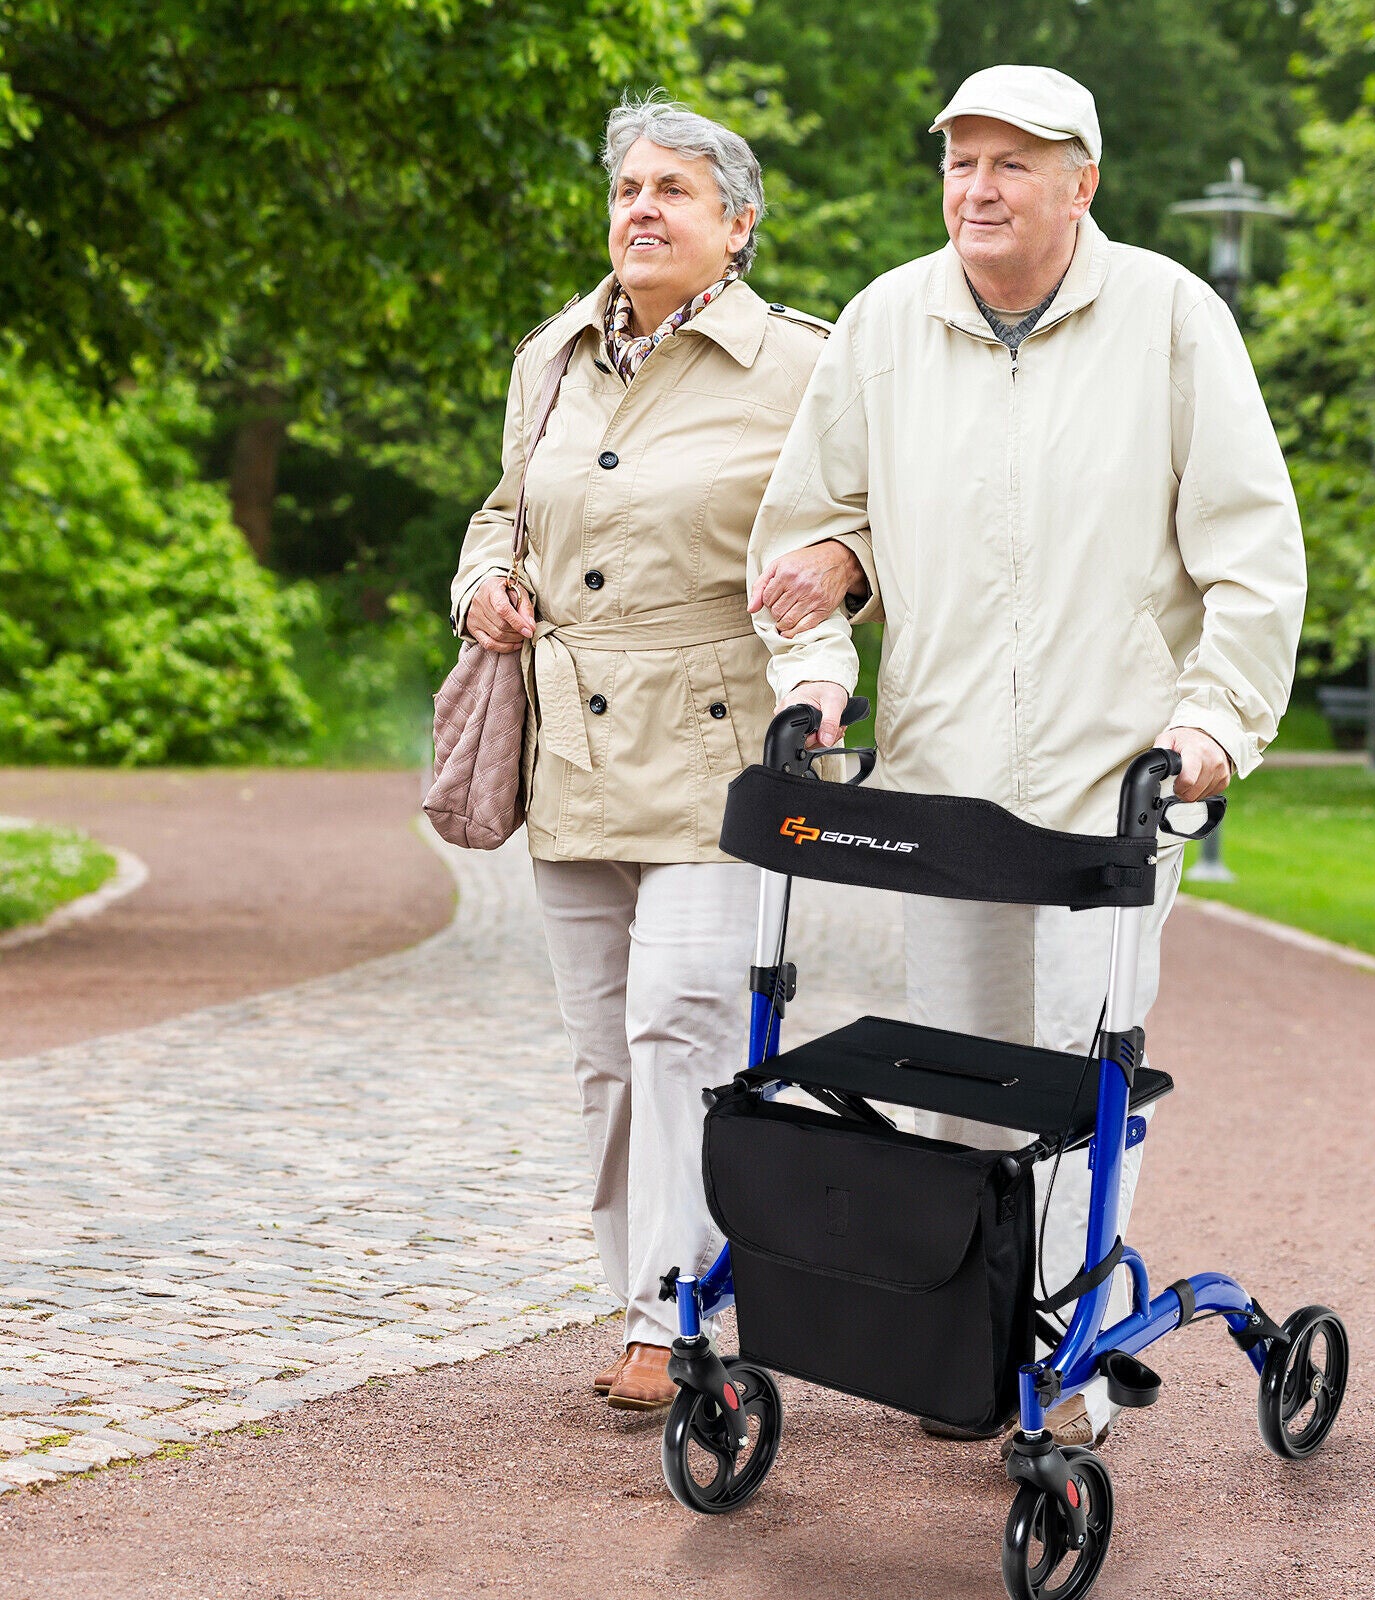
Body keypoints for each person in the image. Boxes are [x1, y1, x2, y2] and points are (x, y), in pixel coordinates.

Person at [748, 65, 1306, 1446]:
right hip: (943, 779)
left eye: (1012, 164)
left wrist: (1214, 725)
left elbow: (1253, 556)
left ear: (1082, 183)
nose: (978, 190)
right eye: (960, 163)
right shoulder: (886, 322)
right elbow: (818, 533)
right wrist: (823, 646)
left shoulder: (1174, 319)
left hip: (1112, 782)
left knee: (1073, 1069)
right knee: (951, 1073)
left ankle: (1060, 1357)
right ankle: (972, 1329)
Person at [451, 95, 839, 1412]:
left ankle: (678, 1314)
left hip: (723, 756)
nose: (641, 210)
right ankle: (643, 1298)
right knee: (604, 1059)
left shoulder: (806, 367)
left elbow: (860, 538)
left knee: (681, 1021)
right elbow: (506, 511)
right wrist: (483, 584)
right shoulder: (550, 355)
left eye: (674, 189)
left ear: (737, 227)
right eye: (626, 190)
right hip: (570, 755)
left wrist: (835, 615)